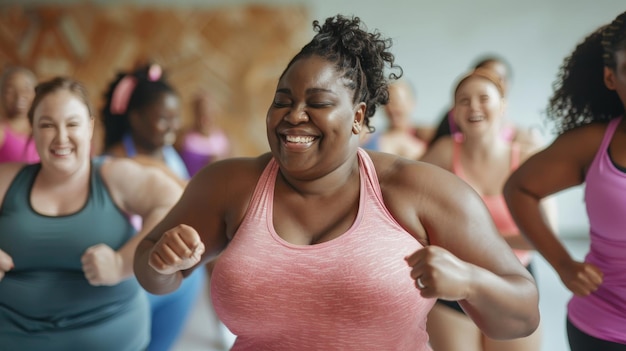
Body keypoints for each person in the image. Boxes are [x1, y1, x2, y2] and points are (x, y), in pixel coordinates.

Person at [133, 15, 539, 350]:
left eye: (318, 103)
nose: (294, 115)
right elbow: (151, 271)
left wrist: (468, 281)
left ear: (359, 117)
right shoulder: (229, 183)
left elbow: (523, 314)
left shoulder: (419, 190)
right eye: (283, 100)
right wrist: (164, 262)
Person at [0, 76, 183, 350]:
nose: (61, 137)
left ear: (90, 128)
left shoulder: (112, 175)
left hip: (109, 336)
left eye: (72, 124)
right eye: (47, 125)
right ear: (33, 130)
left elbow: (173, 200)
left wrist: (121, 263)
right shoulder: (8, 179)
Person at [504, 11, 626, 351]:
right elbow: (520, 189)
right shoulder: (592, 144)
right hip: (604, 330)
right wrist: (563, 264)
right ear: (611, 78)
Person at [421, 67, 554, 351]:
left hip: (513, 286)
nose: (474, 107)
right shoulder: (444, 151)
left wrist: (476, 242)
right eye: (464, 100)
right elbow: (407, 200)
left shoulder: (527, 158)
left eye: (484, 98)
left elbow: (544, 236)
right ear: (454, 111)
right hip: (453, 286)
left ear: (503, 106)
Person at [101, 63, 206, 351]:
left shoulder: (168, 155)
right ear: (135, 119)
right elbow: (187, 193)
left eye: (176, 118)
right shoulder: (118, 162)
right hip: (132, 277)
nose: (174, 126)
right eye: (164, 119)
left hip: (171, 277)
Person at [428, 55, 541, 148]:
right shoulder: (446, 147)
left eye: (498, 78)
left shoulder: (525, 141)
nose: (474, 107)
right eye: (484, 75)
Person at [360, 79, 428, 159]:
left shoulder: (426, 138)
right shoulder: (370, 139)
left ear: (411, 103)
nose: (391, 108)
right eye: (386, 103)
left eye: (396, 102)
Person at [175, 91, 231, 176]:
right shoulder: (183, 137)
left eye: (209, 111)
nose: (205, 114)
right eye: (200, 111)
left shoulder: (224, 137)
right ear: (194, 112)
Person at [0, 66, 39, 163]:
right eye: (10, 90)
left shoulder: (43, 128)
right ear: (2, 94)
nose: (19, 95)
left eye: (26, 89)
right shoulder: (2, 131)